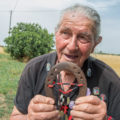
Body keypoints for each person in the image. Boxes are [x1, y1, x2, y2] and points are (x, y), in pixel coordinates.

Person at [10, 4, 120, 120]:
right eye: (65, 33)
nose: (72, 46)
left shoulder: (111, 81)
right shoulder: (34, 69)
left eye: (83, 37)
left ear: (95, 44)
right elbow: (16, 116)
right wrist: (29, 118)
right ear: (56, 34)